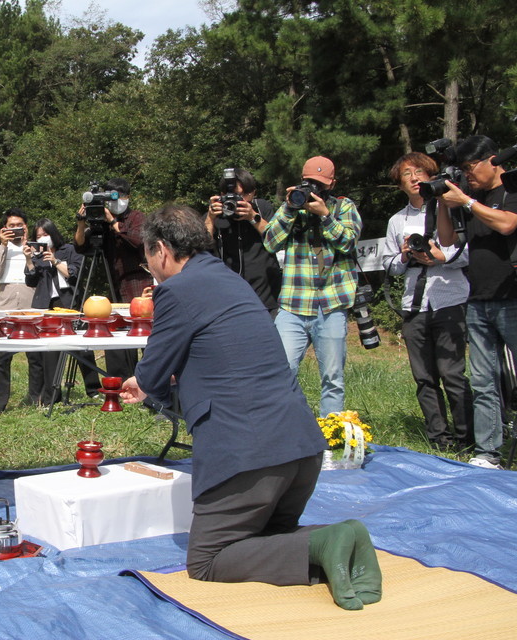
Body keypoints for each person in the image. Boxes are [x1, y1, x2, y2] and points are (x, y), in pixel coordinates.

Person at [120, 204, 381, 611]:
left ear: (161, 250)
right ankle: (334, 546)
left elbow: (153, 372)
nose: (150, 268)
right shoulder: (231, 279)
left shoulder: (176, 290)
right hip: (301, 450)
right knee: (265, 542)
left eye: (148, 258)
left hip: (249, 457)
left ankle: (328, 538)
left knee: (208, 560)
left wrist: (143, 381)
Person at [437, 135, 517, 469]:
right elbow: (446, 241)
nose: (466, 175)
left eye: (469, 168)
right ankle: (488, 452)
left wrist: (469, 203)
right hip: (478, 299)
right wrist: (444, 203)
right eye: (461, 169)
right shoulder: (471, 197)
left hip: (514, 297)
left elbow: (507, 225)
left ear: (492, 160)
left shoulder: (515, 187)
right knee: (484, 380)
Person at [381, 152, 472, 451]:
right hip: (414, 304)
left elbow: (470, 254)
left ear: (431, 175)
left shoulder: (452, 208)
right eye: (407, 174)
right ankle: (438, 439)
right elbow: (389, 264)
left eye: (420, 171)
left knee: (452, 374)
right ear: (400, 184)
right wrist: (407, 255)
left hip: (449, 297)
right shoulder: (397, 220)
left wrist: (439, 257)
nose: (414, 177)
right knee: (424, 377)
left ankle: (466, 439)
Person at [264, 156, 363, 418]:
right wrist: (288, 209)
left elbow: (349, 243)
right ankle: (286, 430)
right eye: (309, 183)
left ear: (331, 184)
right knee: (281, 372)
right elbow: (270, 243)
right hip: (293, 304)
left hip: (331, 303)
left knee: (332, 377)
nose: (314, 190)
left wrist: (325, 216)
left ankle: (329, 438)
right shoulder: (291, 208)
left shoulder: (344, 207)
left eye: (320, 184)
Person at [73, 178, 152, 379]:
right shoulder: (102, 221)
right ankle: (121, 382)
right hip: (115, 285)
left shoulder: (136, 218)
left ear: (127, 197)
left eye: (117, 196)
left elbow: (138, 242)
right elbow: (81, 247)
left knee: (143, 334)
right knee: (116, 333)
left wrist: (113, 223)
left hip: (138, 284)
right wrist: (81, 223)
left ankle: (150, 383)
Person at [24, 218, 83, 405]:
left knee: (64, 352)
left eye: (45, 234)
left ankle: (53, 396)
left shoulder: (70, 250)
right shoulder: (38, 256)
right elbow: (31, 282)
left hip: (66, 303)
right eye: (38, 236)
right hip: (43, 304)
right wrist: (29, 259)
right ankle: (37, 395)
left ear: (53, 234)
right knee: (38, 353)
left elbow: (75, 273)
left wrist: (55, 260)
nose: (42, 238)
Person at [206, 168, 281, 315]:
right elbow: (200, 249)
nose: (237, 201)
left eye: (242, 195)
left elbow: (277, 239)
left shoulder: (261, 208)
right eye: (232, 196)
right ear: (221, 195)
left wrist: (253, 217)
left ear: (253, 193)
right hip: (228, 298)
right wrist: (210, 219)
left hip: (265, 296)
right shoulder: (215, 214)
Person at [0, 207, 35, 414]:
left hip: (31, 298)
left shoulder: (35, 247)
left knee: (35, 354)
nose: (15, 229)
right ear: (4, 229)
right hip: (5, 301)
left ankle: (36, 398)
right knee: (2, 356)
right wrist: (4, 245)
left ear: (26, 227)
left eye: (19, 225)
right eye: (11, 226)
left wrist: (29, 251)